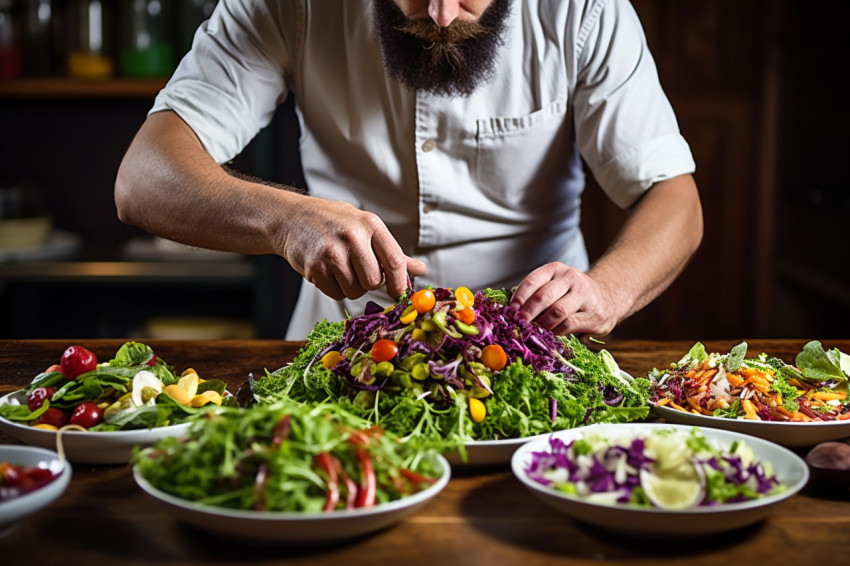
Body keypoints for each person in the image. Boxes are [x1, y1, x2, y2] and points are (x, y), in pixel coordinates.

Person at [114, 0, 703, 340]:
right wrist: (285, 220)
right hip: (343, 346)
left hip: (536, 346)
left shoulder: (586, 10)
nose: (443, 15)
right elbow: (144, 176)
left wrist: (606, 292)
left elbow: (671, 194)